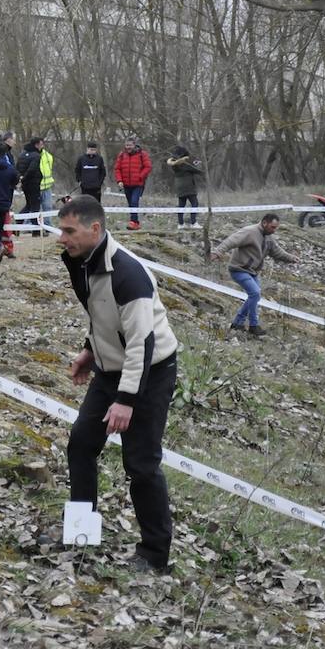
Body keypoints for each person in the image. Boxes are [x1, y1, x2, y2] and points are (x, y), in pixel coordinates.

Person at [57, 196, 178, 573]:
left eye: (69, 231)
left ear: (95, 229)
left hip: (150, 371)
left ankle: (155, 555)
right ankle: (81, 535)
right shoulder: (82, 261)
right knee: (81, 445)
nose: (62, 238)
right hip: (110, 369)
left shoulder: (129, 274)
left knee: (141, 463)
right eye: (61, 230)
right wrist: (89, 350)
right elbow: (103, 317)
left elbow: (142, 342)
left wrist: (126, 400)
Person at [211, 213, 297, 337]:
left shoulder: (268, 237)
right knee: (255, 293)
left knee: (255, 296)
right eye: (272, 227)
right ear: (264, 223)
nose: (274, 230)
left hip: (253, 272)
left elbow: (277, 252)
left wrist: (291, 258)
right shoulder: (249, 232)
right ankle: (253, 325)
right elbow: (231, 241)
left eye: (276, 228)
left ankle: (237, 323)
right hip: (239, 269)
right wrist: (217, 252)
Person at [114, 136, 152, 230]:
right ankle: (136, 222)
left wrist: (140, 176)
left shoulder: (142, 154)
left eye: (130, 145)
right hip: (126, 184)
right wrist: (119, 180)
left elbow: (148, 167)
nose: (128, 147)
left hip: (138, 184)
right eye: (126, 145)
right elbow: (117, 169)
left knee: (134, 201)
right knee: (130, 203)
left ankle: (133, 222)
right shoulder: (122, 155)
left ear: (134, 145)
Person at [167, 146, 204, 230]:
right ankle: (193, 222)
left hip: (179, 187)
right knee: (194, 204)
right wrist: (199, 163)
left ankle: (180, 224)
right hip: (188, 187)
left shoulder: (174, 164)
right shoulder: (186, 164)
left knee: (181, 205)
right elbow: (198, 171)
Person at [18, 138, 44, 238]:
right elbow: (32, 169)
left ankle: (18, 224)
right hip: (33, 184)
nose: (42, 146)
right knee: (35, 206)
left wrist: (21, 179)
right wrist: (25, 178)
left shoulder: (22, 155)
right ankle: (36, 230)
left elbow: (17, 168)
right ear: (36, 145)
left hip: (25, 185)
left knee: (29, 205)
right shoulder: (36, 156)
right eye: (41, 144)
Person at [38, 138, 56, 220]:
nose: (40, 146)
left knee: (48, 207)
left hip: (47, 187)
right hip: (36, 187)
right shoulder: (32, 155)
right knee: (34, 209)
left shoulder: (48, 156)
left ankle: (48, 224)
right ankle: (30, 224)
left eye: (41, 144)